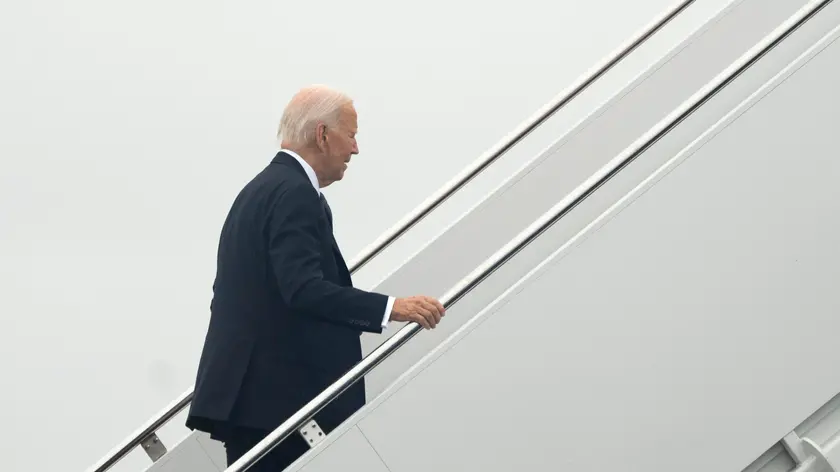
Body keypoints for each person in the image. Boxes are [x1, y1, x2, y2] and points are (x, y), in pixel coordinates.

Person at [185, 85, 446, 470]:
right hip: (282, 403)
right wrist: (393, 308)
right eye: (351, 135)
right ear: (323, 135)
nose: (355, 149)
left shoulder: (262, 189)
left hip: (256, 400)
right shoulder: (294, 193)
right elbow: (303, 289)